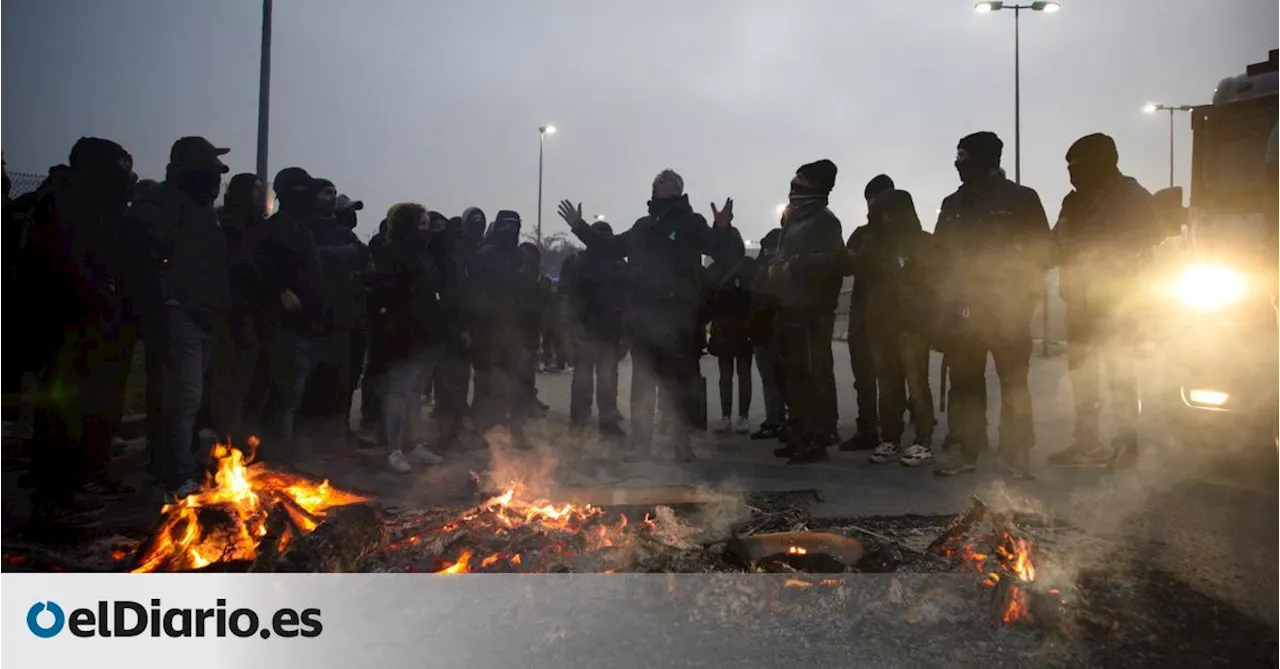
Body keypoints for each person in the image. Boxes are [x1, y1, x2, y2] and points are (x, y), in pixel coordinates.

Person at [557, 169, 738, 463]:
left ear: (678, 189)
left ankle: (681, 443)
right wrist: (579, 226)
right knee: (642, 384)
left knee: (678, 384)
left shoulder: (691, 222)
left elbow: (716, 248)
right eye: (656, 179)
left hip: (676, 319)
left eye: (665, 178)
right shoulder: (642, 226)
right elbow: (610, 247)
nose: (658, 180)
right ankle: (641, 444)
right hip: (641, 318)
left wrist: (721, 229)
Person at [23, 138, 137, 537]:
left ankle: (89, 475)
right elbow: (64, 263)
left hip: (100, 328)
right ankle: (54, 502)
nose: (129, 177)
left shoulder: (103, 208)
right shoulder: (62, 203)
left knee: (97, 408)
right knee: (62, 414)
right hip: (66, 327)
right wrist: (99, 292)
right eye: (121, 168)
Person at [932, 132, 1053, 478]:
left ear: (986, 160)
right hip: (963, 312)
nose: (957, 164)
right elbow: (939, 257)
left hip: (1008, 311)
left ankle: (1016, 452)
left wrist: (1021, 297)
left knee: (1014, 382)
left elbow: (1042, 252)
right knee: (964, 382)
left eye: (964, 157)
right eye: (957, 156)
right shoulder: (953, 204)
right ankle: (965, 447)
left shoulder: (1021, 200)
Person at [1047, 133, 1159, 470]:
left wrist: (1091, 243)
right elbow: (1055, 242)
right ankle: (1086, 442)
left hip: (1117, 303)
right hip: (1078, 303)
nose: (1072, 174)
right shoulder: (1073, 201)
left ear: (1104, 163)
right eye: (1069, 167)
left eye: (1078, 166)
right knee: (1083, 376)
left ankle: (1127, 444)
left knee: (1120, 374)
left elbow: (1148, 235)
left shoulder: (1131, 196)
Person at [129, 137, 233, 498]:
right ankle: (175, 474)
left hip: (205, 316)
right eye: (210, 168)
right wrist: (170, 300)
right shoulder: (158, 202)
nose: (218, 177)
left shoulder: (203, 209)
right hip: (180, 316)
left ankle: (170, 464)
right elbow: (149, 258)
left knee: (189, 396)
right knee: (183, 396)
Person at [768, 160, 847, 464]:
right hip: (789, 305)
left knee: (811, 374)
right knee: (791, 373)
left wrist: (794, 266)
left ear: (815, 184)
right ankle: (798, 431)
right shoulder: (794, 218)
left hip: (812, 309)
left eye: (801, 177)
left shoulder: (824, 221)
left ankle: (815, 438)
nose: (794, 181)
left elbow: (834, 260)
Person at [853, 189, 938, 467]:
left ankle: (923, 442)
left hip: (912, 323)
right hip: (880, 321)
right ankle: (890, 438)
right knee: (888, 384)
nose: (884, 218)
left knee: (916, 383)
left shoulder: (922, 243)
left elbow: (932, 280)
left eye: (888, 212)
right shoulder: (874, 242)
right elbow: (860, 269)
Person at [366, 203, 447, 472]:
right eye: (422, 224)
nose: (427, 230)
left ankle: (415, 444)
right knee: (399, 392)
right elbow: (386, 294)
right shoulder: (392, 253)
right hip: (404, 335)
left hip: (427, 335)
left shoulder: (424, 254)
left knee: (415, 394)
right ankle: (394, 449)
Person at [258, 167, 328, 462]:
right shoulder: (279, 225)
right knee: (283, 394)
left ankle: (285, 451)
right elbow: (263, 265)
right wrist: (280, 291)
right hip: (284, 326)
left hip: (305, 325)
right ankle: (275, 456)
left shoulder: (302, 227)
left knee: (294, 393)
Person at [302, 178, 370, 454]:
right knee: (320, 380)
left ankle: (340, 433)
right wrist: (346, 257)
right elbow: (317, 260)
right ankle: (313, 439)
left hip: (351, 316)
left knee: (347, 379)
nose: (330, 199)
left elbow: (365, 259)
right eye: (326, 193)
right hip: (322, 318)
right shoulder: (307, 229)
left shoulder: (346, 234)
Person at [209, 173, 270, 448]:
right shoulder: (228, 225)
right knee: (229, 381)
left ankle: (244, 440)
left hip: (257, 314)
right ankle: (223, 440)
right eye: (256, 189)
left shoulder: (260, 226)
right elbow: (240, 267)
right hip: (233, 314)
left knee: (251, 382)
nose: (261, 194)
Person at [839, 174, 898, 452]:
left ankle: (890, 432)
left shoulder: (904, 234)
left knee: (891, 375)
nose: (873, 205)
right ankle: (868, 428)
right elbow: (846, 264)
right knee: (863, 376)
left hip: (891, 314)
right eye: (870, 199)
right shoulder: (862, 233)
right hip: (863, 312)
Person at [467, 210, 535, 449]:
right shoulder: (484, 256)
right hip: (488, 329)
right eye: (508, 226)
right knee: (486, 383)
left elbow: (529, 294)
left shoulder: (521, 257)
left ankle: (514, 431)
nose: (511, 231)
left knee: (513, 384)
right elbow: (473, 293)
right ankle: (482, 432)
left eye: (515, 226)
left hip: (512, 329)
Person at [560, 220, 626, 437]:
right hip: (588, 330)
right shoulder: (579, 262)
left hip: (604, 331)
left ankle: (594, 418)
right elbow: (565, 297)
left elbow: (626, 301)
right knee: (590, 376)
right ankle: (588, 418)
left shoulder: (615, 265)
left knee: (597, 377)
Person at [705, 230, 754, 435]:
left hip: (723, 327)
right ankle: (742, 418)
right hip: (744, 326)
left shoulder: (714, 269)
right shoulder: (748, 266)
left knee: (726, 375)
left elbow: (707, 299)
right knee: (743, 374)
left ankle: (727, 417)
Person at [747, 227, 787, 440]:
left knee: (774, 379)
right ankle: (777, 419)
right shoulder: (765, 269)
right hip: (763, 331)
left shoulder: (773, 270)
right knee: (773, 379)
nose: (769, 251)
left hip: (771, 330)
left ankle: (776, 420)